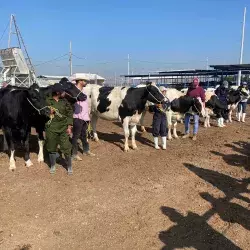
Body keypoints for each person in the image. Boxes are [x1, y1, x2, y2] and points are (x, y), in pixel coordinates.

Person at [45, 83, 73, 175]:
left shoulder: (64, 101)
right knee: (51, 147)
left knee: (66, 147)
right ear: (57, 92)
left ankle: (69, 166)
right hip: (51, 128)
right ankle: (53, 165)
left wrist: (69, 127)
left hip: (63, 128)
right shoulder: (47, 101)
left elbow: (69, 113)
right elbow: (41, 113)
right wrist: (49, 112)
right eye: (62, 91)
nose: (64, 92)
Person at [72, 76, 95, 161]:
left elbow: (86, 105)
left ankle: (86, 150)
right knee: (76, 136)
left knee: (84, 135)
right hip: (77, 117)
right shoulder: (74, 92)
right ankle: (74, 154)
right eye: (85, 81)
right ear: (80, 81)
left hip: (85, 118)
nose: (86, 82)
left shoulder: (84, 91)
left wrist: (88, 115)